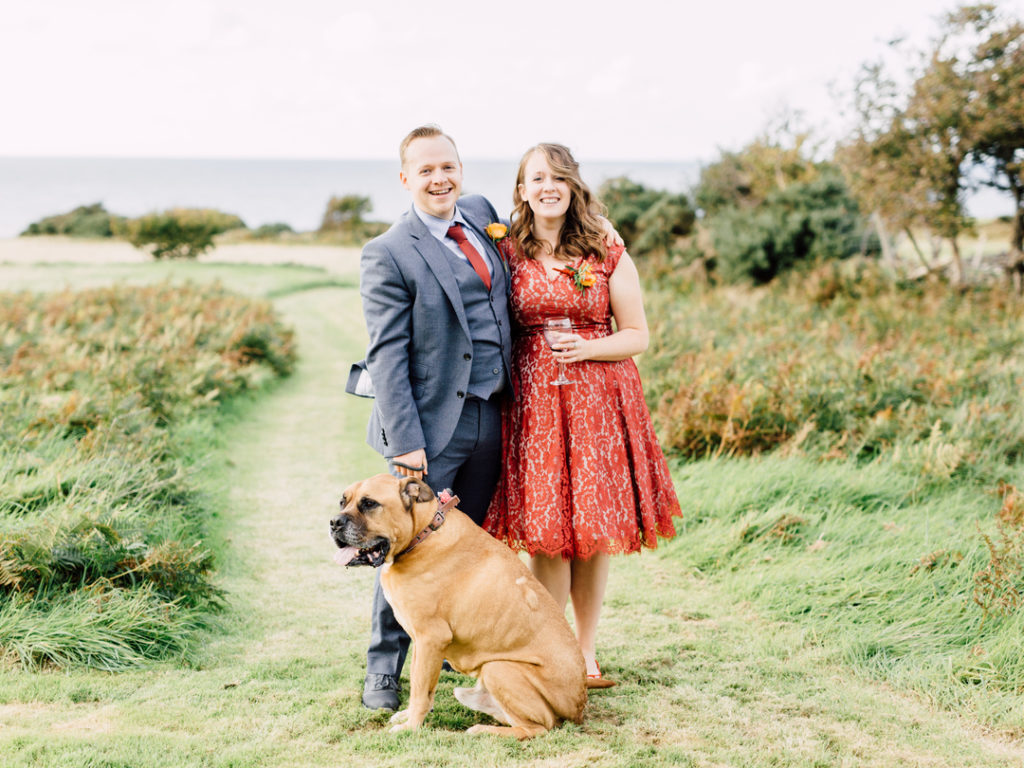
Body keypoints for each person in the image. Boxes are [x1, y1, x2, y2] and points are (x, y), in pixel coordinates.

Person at [483, 143, 683, 686]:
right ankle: (550, 648)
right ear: (522, 190)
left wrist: (588, 349)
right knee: (549, 533)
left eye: (558, 177)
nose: (548, 186)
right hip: (535, 406)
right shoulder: (506, 252)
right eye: (536, 177)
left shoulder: (606, 248)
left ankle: (587, 652)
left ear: (573, 186)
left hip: (600, 402)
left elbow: (638, 335)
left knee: (592, 532)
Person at [347, 125, 511, 710]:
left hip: (490, 417)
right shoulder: (388, 251)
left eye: (449, 167)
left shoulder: (482, 213)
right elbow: (386, 354)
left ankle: (451, 654)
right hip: (427, 431)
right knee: (404, 546)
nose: (440, 179)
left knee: (463, 548)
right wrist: (407, 444)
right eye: (426, 171)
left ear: (461, 169)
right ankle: (383, 672)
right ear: (405, 179)